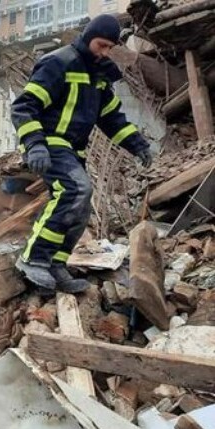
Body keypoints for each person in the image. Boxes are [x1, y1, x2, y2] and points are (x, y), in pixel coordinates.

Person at [11, 14, 152, 295]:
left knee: (80, 206)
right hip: (50, 143)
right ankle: (32, 257)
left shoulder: (99, 77)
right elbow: (24, 106)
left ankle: (55, 264)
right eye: (101, 45)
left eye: (110, 48)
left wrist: (138, 145)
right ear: (89, 37)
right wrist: (34, 143)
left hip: (74, 150)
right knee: (76, 190)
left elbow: (111, 118)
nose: (105, 52)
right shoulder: (59, 63)